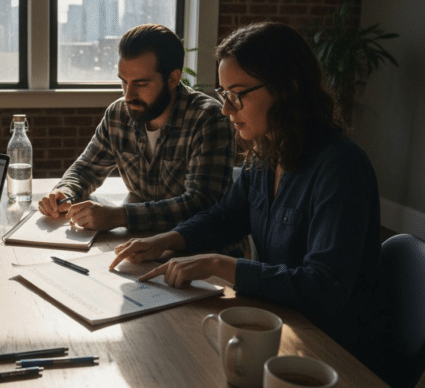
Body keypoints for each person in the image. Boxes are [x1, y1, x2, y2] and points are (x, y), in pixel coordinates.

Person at [109, 21, 384, 371]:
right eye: (224, 94)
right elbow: (226, 217)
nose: (226, 109)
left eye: (237, 94)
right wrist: (167, 239)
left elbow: (324, 288)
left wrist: (218, 265)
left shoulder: (340, 167)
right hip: (279, 326)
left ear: (288, 89)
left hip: (330, 353)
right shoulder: (269, 151)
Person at [38, 24, 235, 233]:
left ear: (173, 79)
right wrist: (64, 192)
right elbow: (86, 169)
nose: (129, 95)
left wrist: (119, 216)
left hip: (199, 251)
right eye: (124, 82)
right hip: (141, 242)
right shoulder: (118, 115)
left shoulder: (208, 118)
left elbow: (200, 204)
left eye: (141, 84)